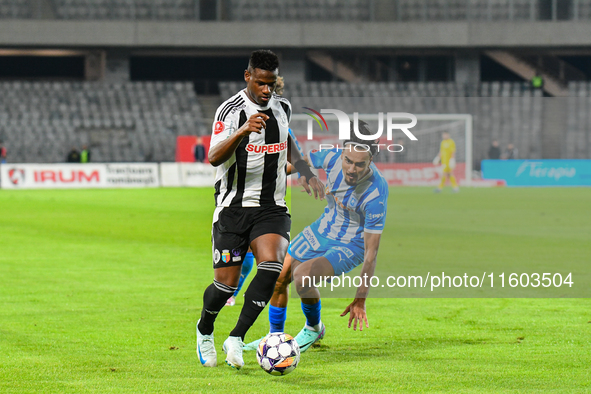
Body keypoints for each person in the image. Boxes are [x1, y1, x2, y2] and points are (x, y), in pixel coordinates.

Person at [196, 49, 324, 370]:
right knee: (224, 286)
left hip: (271, 207)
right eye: (262, 83)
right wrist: (242, 131)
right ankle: (205, 330)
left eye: (272, 84)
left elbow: (288, 138)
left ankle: (236, 337)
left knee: (272, 268)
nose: (268, 90)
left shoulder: (282, 107)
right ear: (248, 76)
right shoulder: (230, 111)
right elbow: (213, 157)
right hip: (233, 208)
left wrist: (305, 169)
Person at [244, 120, 389, 352]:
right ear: (341, 153)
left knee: (302, 277)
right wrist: (301, 174)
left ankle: (313, 328)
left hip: (351, 244)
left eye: (359, 165)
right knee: (278, 277)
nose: (351, 169)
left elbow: (371, 252)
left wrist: (361, 299)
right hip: (323, 229)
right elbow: (303, 162)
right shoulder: (331, 157)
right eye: (348, 161)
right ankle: (275, 339)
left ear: (370, 160)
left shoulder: (376, 193)